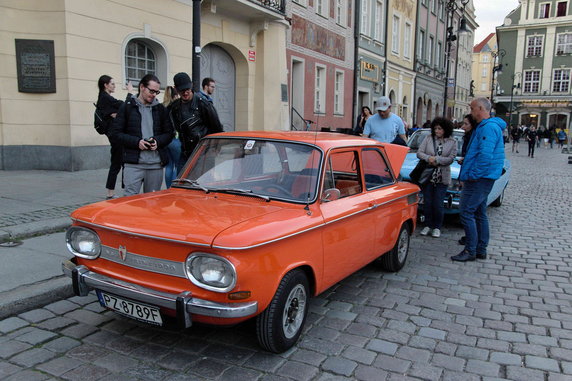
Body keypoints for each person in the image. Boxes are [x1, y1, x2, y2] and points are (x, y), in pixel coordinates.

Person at [451, 97, 506, 262]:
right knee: (479, 213)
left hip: (480, 178)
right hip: (484, 177)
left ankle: (471, 250)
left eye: (472, 108)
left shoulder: (487, 128)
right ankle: (480, 248)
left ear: (480, 108)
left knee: (467, 211)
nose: (471, 112)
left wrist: (472, 175)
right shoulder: (487, 126)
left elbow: (484, 157)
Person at [109, 74, 173, 196]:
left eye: (156, 92)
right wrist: (137, 142)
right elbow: (115, 134)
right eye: (151, 91)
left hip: (155, 164)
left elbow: (170, 133)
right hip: (133, 164)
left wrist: (157, 142)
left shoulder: (160, 109)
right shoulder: (127, 107)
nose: (154, 94)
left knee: (153, 202)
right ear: (142, 87)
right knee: (130, 202)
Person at [169, 72, 223, 168]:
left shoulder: (204, 104)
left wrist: (216, 148)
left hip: (204, 152)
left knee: (203, 181)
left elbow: (217, 127)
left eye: (187, 89)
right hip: (186, 153)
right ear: (176, 89)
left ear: (191, 86)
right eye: (182, 90)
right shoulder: (174, 107)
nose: (185, 93)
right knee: (181, 181)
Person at [417, 117, 457, 238]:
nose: (437, 131)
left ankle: (437, 227)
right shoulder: (428, 138)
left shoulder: (452, 141)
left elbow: (451, 158)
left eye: (440, 129)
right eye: (435, 128)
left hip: (442, 176)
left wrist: (438, 159)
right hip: (428, 175)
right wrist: (428, 158)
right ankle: (428, 224)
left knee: (438, 203)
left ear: (445, 129)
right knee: (427, 202)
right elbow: (420, 152)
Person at [163, 86, 181, 188]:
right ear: (175, 95)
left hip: (166, 139)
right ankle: (174, 188)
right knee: (178, 165)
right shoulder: (176, 107)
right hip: (175, 138)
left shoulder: (163, 107)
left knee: (168, 166)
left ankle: (167, 187)